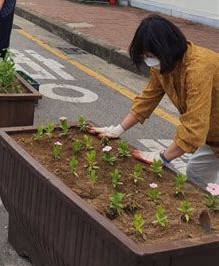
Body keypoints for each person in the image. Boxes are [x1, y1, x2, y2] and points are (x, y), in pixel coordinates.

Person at [89, 15, 219, 190]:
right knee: (197, 176)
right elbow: (147, 99)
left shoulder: (198, 69)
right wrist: (118, 129)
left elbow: (195, 127)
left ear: (166, 49)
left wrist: (162, 157)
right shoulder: (164, 65)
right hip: (213, 137)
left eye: (150, 55)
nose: (148, 60)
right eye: (145, 55)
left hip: (210, 131)